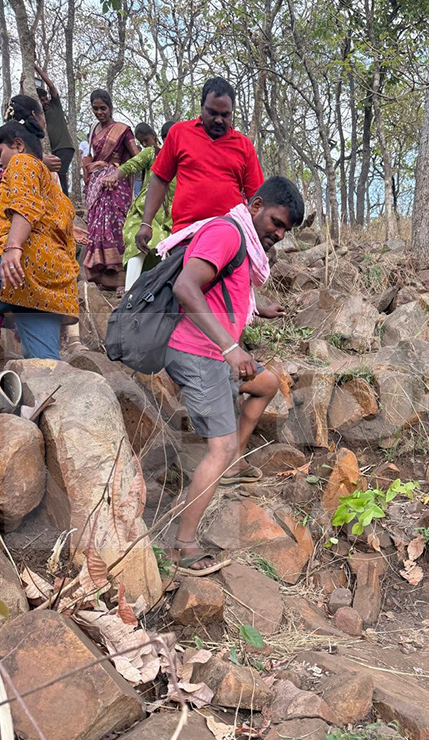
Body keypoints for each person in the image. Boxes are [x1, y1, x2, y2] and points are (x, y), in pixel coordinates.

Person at [164, 176, 304, 573]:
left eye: (285, 230)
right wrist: (229, 347)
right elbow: (187, 287)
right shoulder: (226, 232)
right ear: (256, 205)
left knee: (267, 384)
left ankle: (234, 464)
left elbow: (225, 286)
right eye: (277, 222)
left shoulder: (244, 241)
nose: (278, 233)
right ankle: (183, 546)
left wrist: (259, 308)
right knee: (218, 446)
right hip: (198, 352)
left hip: (216, 351)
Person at [135, 77, 263, 255]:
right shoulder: (179, 133)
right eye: (212, 113)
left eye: (225, 115)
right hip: (185, 236)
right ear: (202, 107)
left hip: (230, 236)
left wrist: (261, 239)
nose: (219, 120)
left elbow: (256, 198)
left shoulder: (244, 146)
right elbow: (160, 179)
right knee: (184, 282)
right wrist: (146, 223)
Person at [0, 119, 78, 360]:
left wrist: (13, 247)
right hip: (48, 284)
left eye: (0, 152)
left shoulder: (22, 162)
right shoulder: (57, 194)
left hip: (16, 264)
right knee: (45, 365)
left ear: (18, 144)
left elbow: (25, 205)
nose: (0, 161)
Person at [102, 121, 176, 291]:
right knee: (139, 243)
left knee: (164, 250)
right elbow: (132, 165)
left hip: (171, 218)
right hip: (145, 212)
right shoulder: (153, 153)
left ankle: (160, 297)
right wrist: (115, 175)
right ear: (164, 139)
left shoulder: (186, 161)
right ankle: (129, 297)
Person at [82, 89, 139, 292]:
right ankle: (100, 278)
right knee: (97, 228)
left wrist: (116, 170)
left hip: (115, 187)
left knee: (115, 227)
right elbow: (88, 157)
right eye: (95, 108)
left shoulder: (122, 130)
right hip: (97, 186)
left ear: (110, 107)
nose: (99, 112)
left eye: (103, 108)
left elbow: (137, 157)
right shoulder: (93, 131)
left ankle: (121, 279)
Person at [34, 64, 75, 195]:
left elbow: (51, 86)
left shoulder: (55, 105)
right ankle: (62, 202)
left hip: (65, 147)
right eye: (42, 100)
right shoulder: (39, 115)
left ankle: (64, 201)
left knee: (59, 173)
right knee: (56, 175)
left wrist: (36, 68)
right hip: (52, 150)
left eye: (46, 99)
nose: (45, 102)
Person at [5, 94, 62, 175]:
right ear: (34, 115)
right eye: (42, 114)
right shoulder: (22, 142)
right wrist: (40, 163)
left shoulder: (6, 136)